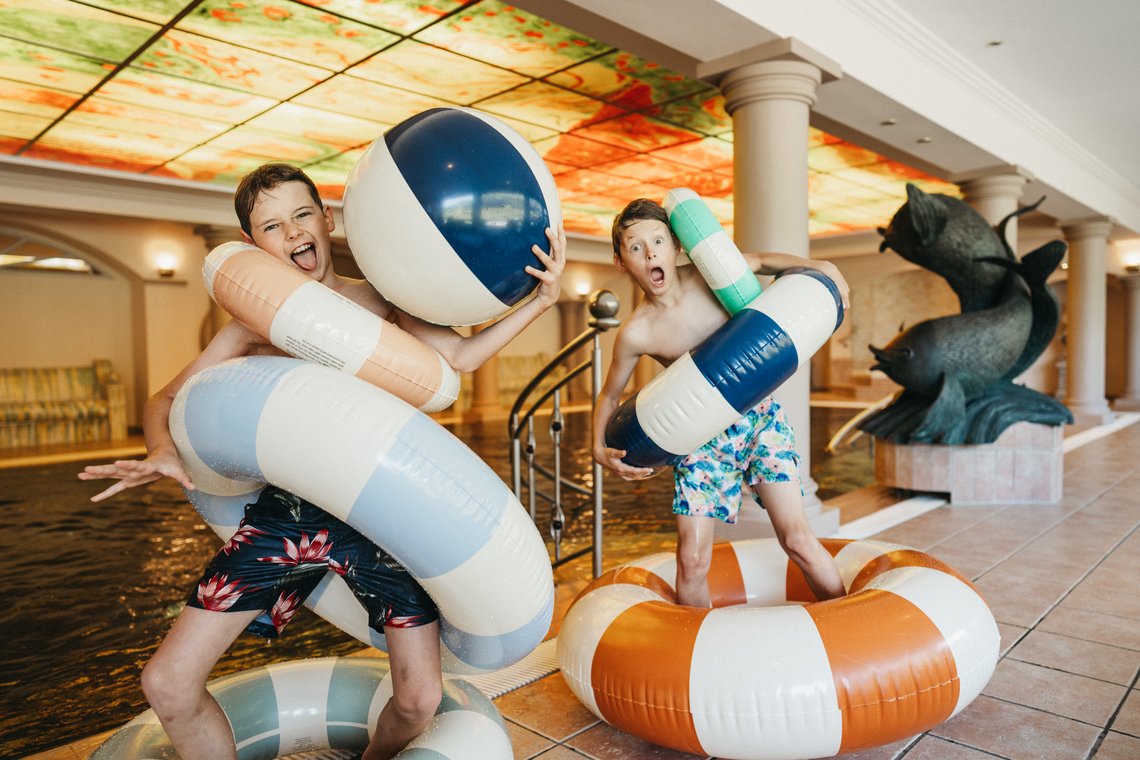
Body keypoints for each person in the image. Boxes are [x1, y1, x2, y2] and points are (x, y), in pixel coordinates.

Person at [79, 162, 565, 760]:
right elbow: (166, 398)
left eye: (302, 214)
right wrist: (159, 450)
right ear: (256, 246)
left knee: (418, 699)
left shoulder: (381, 304)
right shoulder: (253, 327)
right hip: (290, 516)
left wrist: (542, 302)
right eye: (272, 226)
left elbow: (459, 357)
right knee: (167, 684)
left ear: (326, 219)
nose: (293, 233)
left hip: (388, 519)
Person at [592, 198, 849, 609]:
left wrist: (825, 268)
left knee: (797, 539)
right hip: (700, 438)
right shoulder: (636, 333)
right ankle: (697, 650)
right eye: (635, 247)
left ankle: (847, 622)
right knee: (691, 560)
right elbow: (609, 395)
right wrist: (597, 449)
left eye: (658, 241)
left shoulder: (707, 276)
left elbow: (764, 259)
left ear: (675, 247)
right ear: (621, 262)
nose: (650, 252)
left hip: (759, 420)